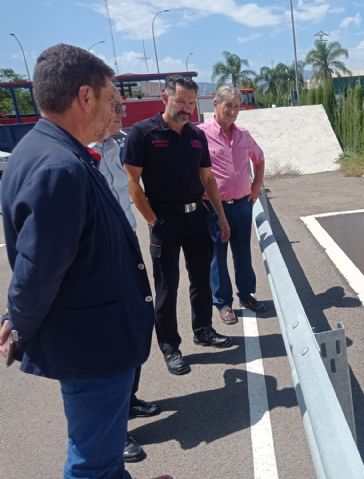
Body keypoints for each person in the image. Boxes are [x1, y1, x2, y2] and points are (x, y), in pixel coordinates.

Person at [0, 44, 163, 479]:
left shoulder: (51, 151)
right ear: (85, 97)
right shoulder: (59, 167)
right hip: (93, 346)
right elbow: (39, 268)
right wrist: (18, 323)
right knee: (92, 462)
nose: (120, 111)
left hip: (93, 339)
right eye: (114, 100)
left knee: (102, 454)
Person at [124, 75, 232, 376]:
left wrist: (221, 216)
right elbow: (132, 182)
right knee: (167, 286)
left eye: (191, 103)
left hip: (196, 217)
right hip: (164, 220)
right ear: (165, 98)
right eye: (180, 101)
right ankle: (170, 346)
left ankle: (203, 330)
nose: (186, 108)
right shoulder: (143, 134)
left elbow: (207, 178)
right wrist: (152, 219)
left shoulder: (196, 136)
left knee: (200, 278)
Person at [89, 98, 161, 464]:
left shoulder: (115, 146)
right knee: (108, 346)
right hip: (100, 258)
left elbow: (129, 190)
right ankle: (115, 432)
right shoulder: (78, 156)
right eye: (114, 105)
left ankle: (129, 400)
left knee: (134, 328)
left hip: (126, 246)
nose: (121, 111)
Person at [197, 86, 265, 326]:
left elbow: (259, 158)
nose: (233, 111)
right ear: (216, 104)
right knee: (217, 255)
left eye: (237, 106)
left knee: (243, 252)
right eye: (229, 106)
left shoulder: (244, 135)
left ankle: (246, 295)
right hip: (214, 208)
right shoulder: (200, 134)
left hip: (242, 205)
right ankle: (223, 303)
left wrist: (257, 185)